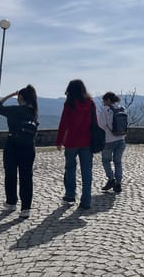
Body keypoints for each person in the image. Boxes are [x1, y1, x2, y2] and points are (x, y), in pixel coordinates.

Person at [0, 85, 39, 219]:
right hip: (28, 147)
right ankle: (26, 208)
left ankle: (11, 202)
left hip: (12, 145)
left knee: (10, 174)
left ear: (20, 98)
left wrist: (9, 95)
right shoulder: (33, 112)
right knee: (26, 177)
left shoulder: (14, 110)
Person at [56, 79, 94, 210]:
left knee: (70, 168)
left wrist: (59, 140)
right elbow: (95, 122)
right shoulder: (90, 103)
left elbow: (63, 123)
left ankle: (70, 194)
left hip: (71, 141)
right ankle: (86, 201)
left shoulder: (69, 104)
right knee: (87, 171)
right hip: (87, 141)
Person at [98, 92, 127, 193]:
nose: (103, 103)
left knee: (106, 161)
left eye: (104, 101)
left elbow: (101, 124)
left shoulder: (106, 110)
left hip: (109, 140)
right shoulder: (122, 108)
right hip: (121, 139)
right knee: (118, 162)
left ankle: (111, 179)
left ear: (109, 100)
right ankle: (118, 183)